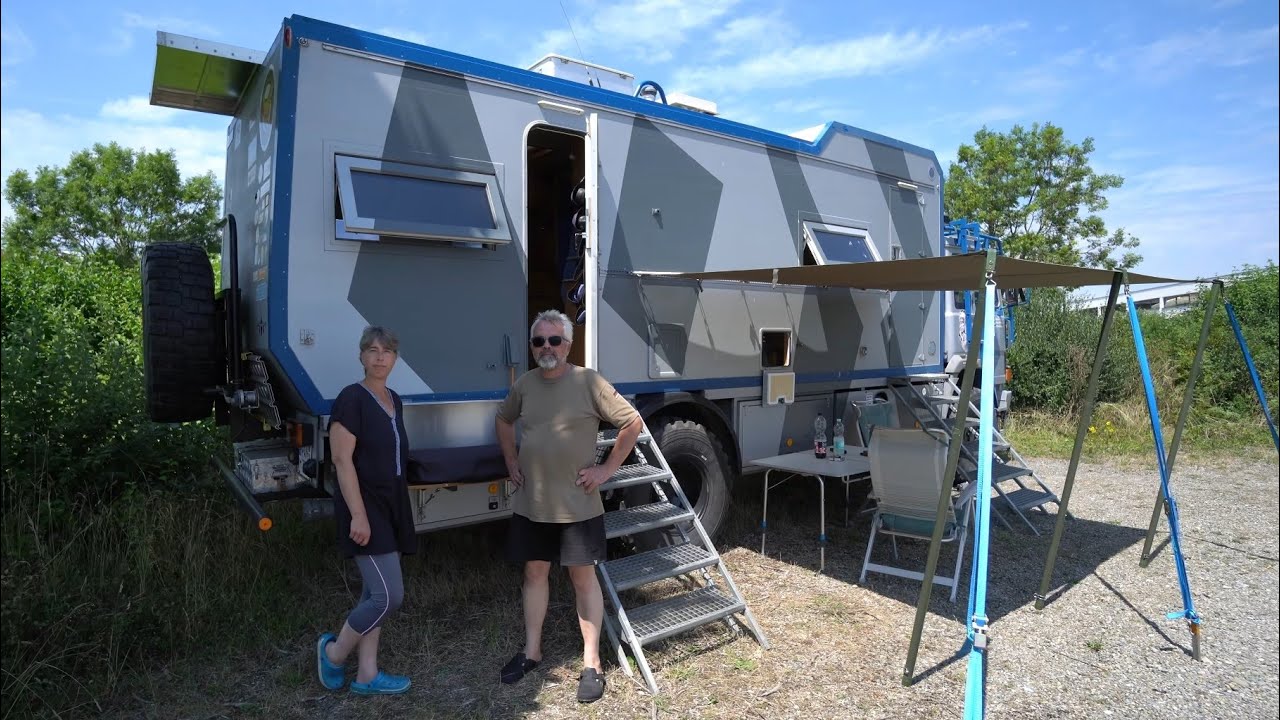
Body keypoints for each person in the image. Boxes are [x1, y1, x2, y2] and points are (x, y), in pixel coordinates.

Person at [495, 309, 641, 704]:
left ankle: (591, 663)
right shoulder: (525, 385)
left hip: (577, 505)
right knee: (535, 574)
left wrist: (607, 469)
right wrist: (511, 461)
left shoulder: (587, 382)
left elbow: (632, 423)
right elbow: (504, 421)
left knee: (582, 579)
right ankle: (531, 652)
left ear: (568, 345)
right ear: (532, 346)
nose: (546, 347)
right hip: (533, 504)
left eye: (554, 340)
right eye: (539, 341)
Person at [315, 326, 416, 695]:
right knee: (389, 596)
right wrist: (357, 514)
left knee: (374, 592)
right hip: (365, 505)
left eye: (386, 351)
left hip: (391, 505)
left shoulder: (394, 399)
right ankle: (334, 653)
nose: (379, 357)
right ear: (361, 356)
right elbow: (342, 460)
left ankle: (367, 674)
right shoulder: (351, 399)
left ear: (395, 358)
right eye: (371, 350)